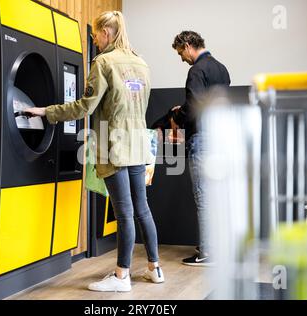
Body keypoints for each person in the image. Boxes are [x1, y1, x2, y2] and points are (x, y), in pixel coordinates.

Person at [24, 11, 163, 293]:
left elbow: (85, 106)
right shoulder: (141, 63)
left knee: (124, 214)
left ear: (107, 33)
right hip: (137, 145)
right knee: (142, 209)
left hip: (114, 148)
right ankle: (154, 268)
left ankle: (122, 276)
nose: (95, 40)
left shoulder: (103, 62)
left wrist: (45, 112)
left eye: (97, 35)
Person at [153, 31, 230, 267]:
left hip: (203, 139)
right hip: (219, 137)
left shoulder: (196, 70)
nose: (182, 58)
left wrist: (178, 115)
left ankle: (208, 252)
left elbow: (195, 106)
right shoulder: (221, 68)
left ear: (188, 46)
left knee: (203, 195)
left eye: (180, 53)